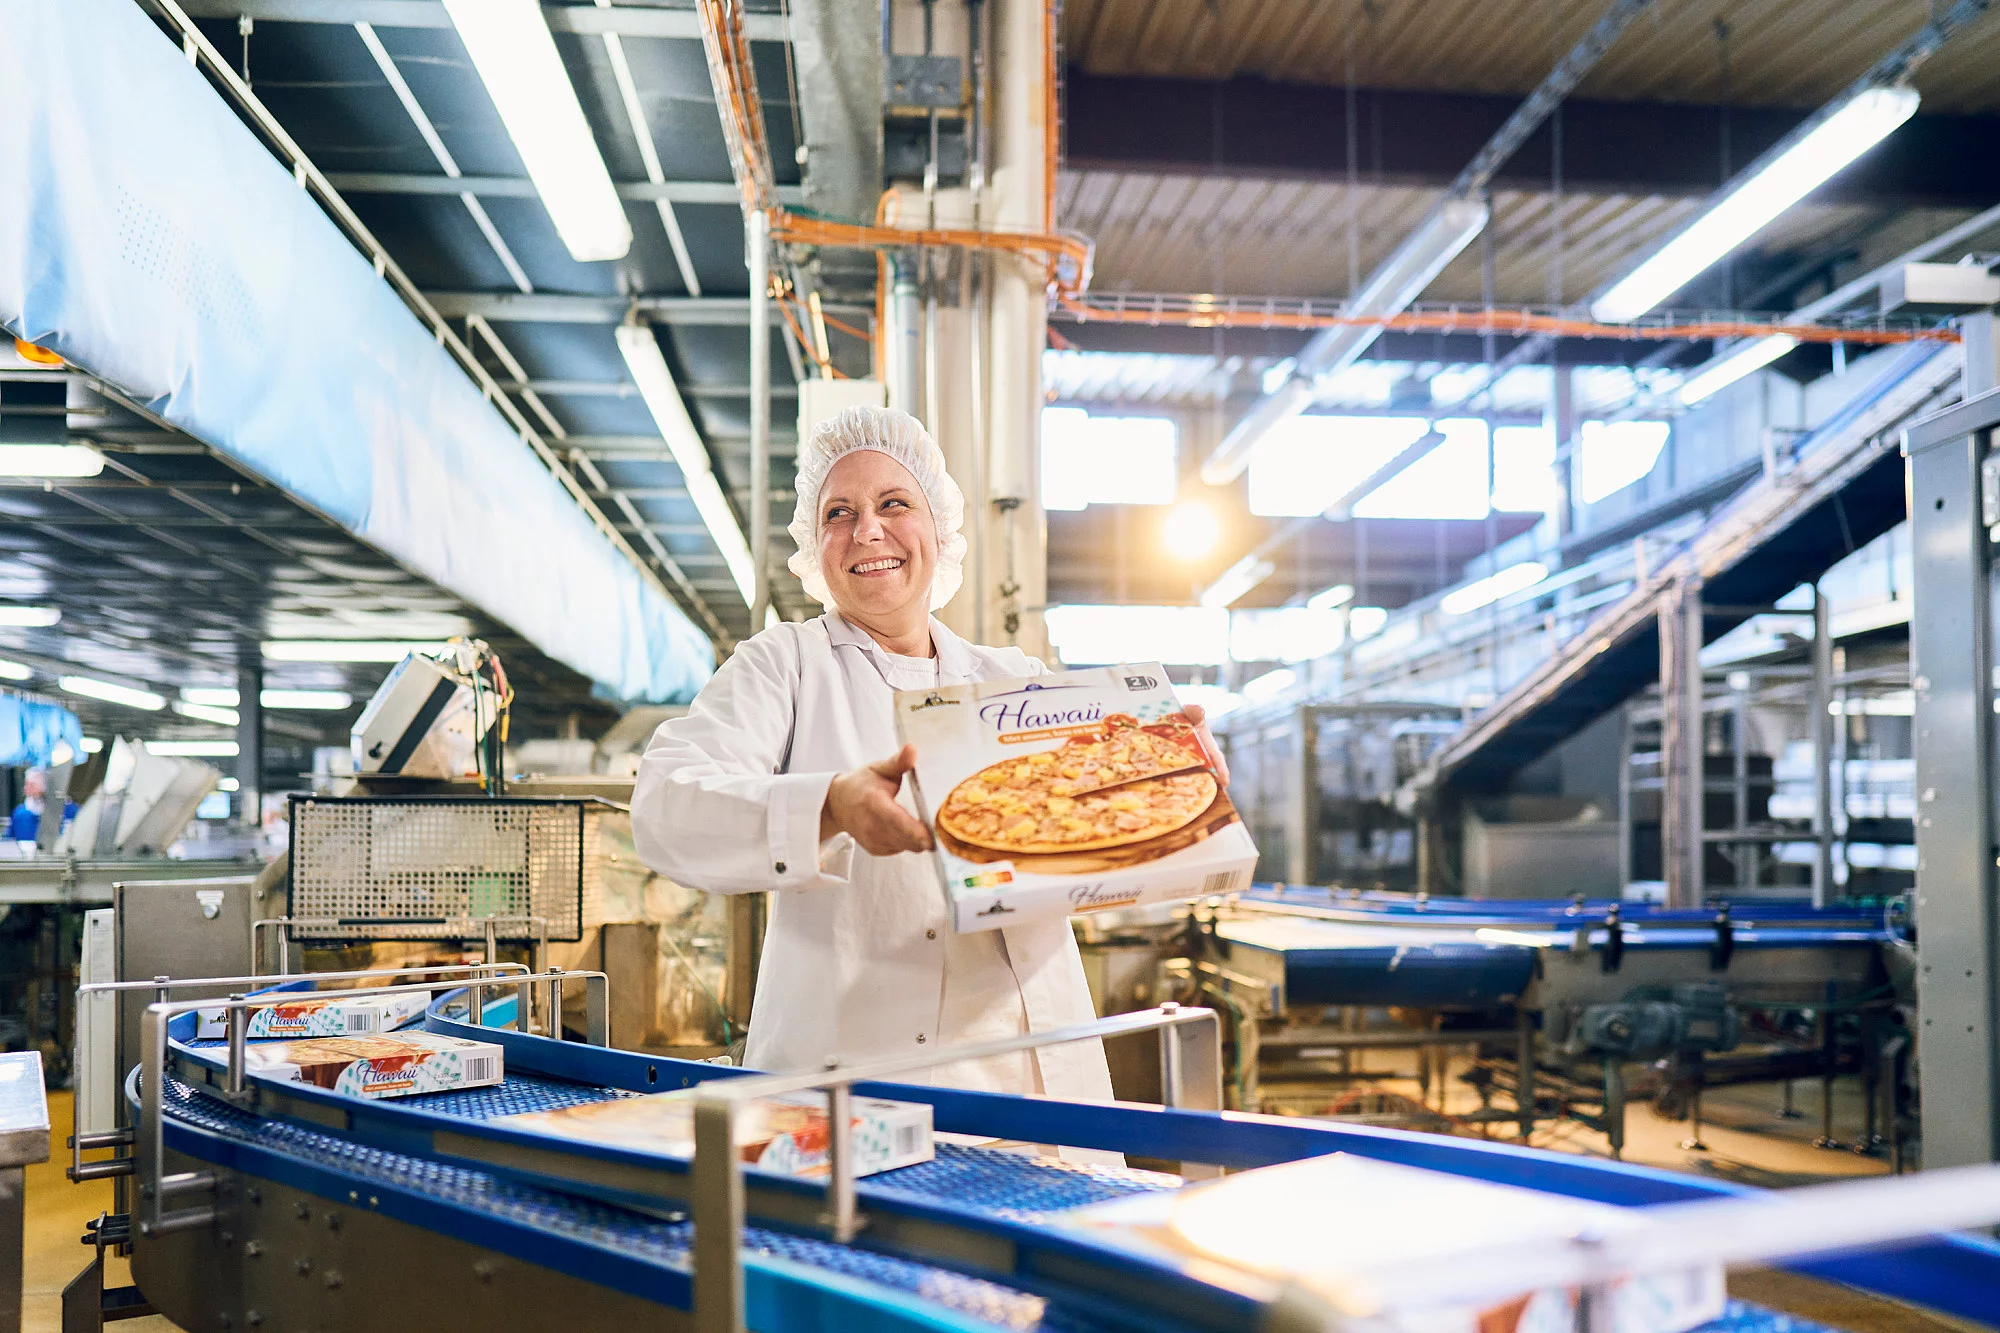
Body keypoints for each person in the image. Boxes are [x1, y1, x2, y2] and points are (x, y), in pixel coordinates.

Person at [631, 407, 1224, 1132]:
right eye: (838, 513)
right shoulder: (785, 664)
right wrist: (829, 805)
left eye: (893, 504)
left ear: (938, 529)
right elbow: (665, 804)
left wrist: (1173, 774)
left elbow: (1102, 826)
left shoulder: (1013, 682)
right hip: (855, 1092)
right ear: (814, 548)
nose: (867, 531)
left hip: (1030, 1086)